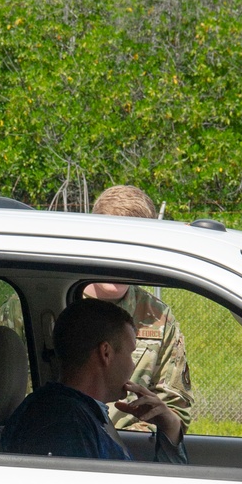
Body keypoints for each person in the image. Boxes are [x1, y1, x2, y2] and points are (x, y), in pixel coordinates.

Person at [85, 184, 194, 461]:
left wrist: (159, 421)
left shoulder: (158, 317)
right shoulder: (31, 306)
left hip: (132, 462)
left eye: (129, 248)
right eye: (109, 244)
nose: (118, 260)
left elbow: (176, 413)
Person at [1, 298, 155, 459]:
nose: (133, 365)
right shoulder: (65, 424)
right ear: (106, 353)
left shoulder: (77, 412)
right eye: (130, 354)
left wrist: (169, 431)